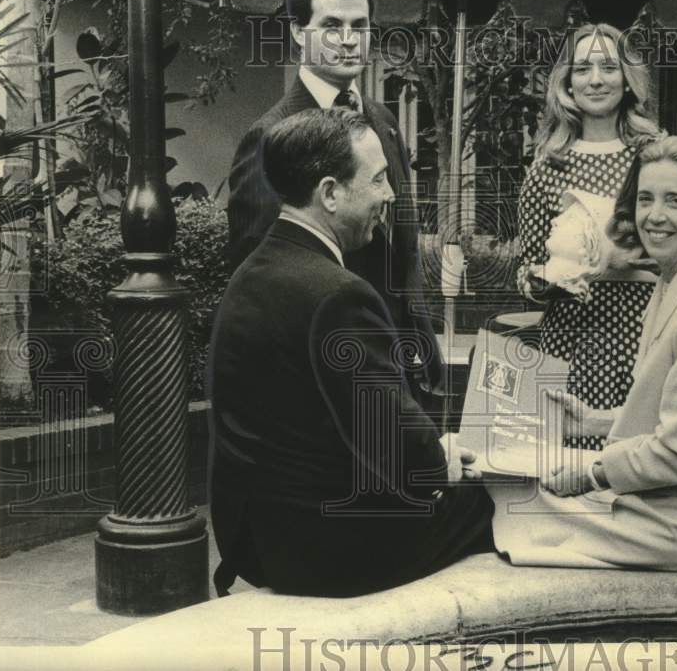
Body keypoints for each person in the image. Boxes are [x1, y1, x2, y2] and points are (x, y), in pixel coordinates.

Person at [209, 109, 493, 597]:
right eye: (378, 179)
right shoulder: (339, 295)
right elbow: (409, 462)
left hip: (258, 540)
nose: (390, 194)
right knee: (499, 499)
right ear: (330, 194)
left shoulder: (254, 271)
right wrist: (440, 458)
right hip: (330, 550)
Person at [489, 135, 677, 570]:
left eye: (675, 201)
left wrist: (593, 473)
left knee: (497, 503)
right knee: (500, 487)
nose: (655, 216)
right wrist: (595, 420)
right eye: (645, 199)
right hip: (667, 508)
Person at [226, 0, 444, 417]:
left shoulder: (383, 122)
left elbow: (402, 255)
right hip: (323, 389)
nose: (348, 41)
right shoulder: (270, 137)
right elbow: (259, 284)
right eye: (330, 26)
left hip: (402, 377)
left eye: (359, 26)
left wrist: (424, 351)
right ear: (297, 33)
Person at [516, 22, 660, 450]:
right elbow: (530, 269)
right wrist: (540, 282)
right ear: (567, 83)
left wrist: (618, 265)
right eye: (582, 69)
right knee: (572, 468)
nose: (596, 79)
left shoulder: (655, 154)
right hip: (569, 343)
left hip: (644, 336)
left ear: (628, 79)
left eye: (608, 67)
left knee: (638, 461)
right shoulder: (547, 167)